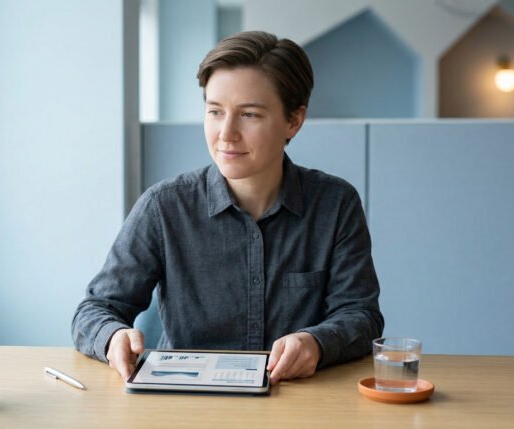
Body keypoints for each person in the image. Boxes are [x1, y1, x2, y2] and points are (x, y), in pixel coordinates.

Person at [72, 31, 383, 384]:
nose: (226, 133)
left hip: (297, 404)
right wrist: (113, 336)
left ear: (293, 121)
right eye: (215, 112)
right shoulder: (163, 207)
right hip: (186, 404)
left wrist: (316, 342)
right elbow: (95, 310)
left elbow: (361, 315)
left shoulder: (335, 204)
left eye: (249, 115)